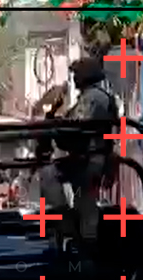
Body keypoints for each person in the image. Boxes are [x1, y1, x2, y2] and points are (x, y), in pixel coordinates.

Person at [39, 56, 119, 245]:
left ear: (86, 75)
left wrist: (57, 125)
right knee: (85, 202)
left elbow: (78, 125)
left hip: (91, 159)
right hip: (86, 157)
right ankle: (81, 238)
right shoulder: (89, 96)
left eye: (77, 73)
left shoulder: (94, 97)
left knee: (50, 175)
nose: (74, 77)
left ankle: (68, 224)